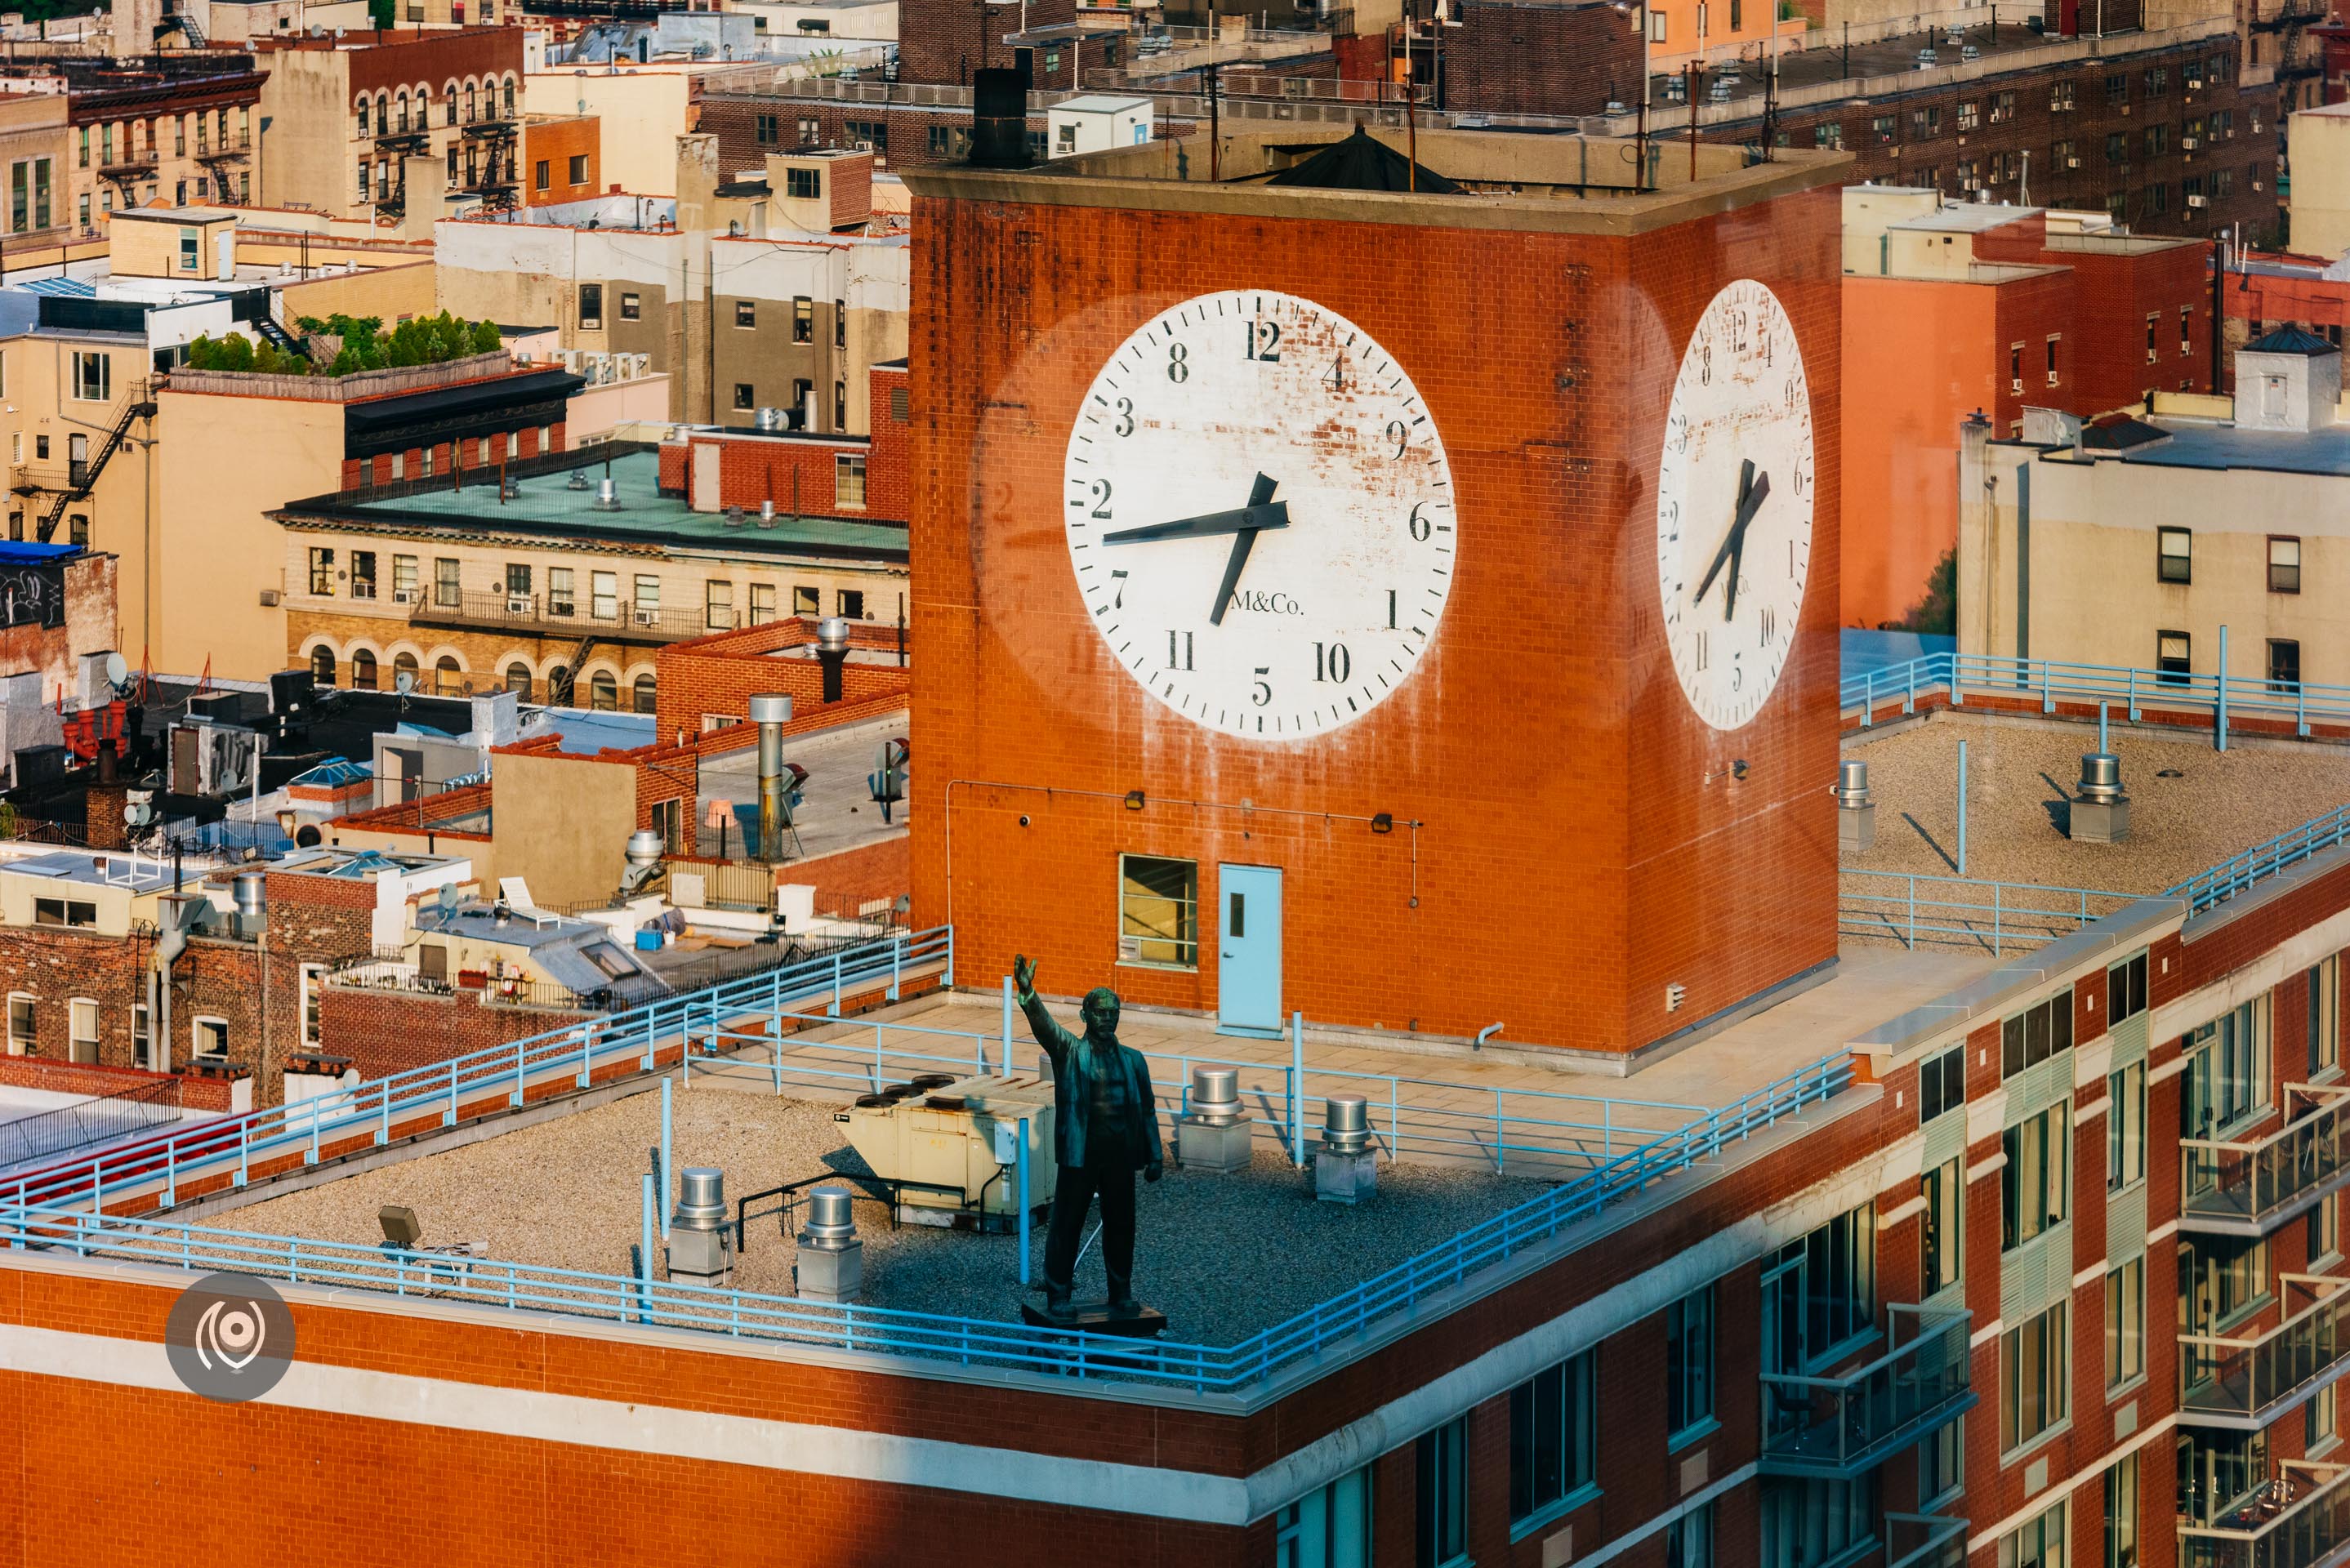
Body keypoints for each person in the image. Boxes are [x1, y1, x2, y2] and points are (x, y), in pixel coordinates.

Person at [1013, 953, 1163, 1320]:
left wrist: (1155, 1154)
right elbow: (1046, 1028)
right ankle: (1058, 1292)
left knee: (1122, 1225)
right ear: (1084, 1015)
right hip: (1081, 1154)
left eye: (1113, 1013)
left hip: (1120, 1156)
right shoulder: (1070, 1052)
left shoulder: (1134, 1060)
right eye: (1100, 1012)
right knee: (1067, 1223)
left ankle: (1121, 1290)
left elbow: (1147, 1109)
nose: (1107, 1019)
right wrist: (1029, 994)